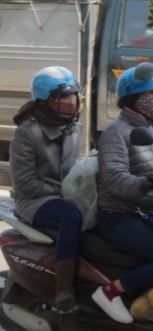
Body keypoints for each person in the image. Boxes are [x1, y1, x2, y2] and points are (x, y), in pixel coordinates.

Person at [92, 62, 153, 323]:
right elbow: (115, 179)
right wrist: (148, 183)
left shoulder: (149, 127)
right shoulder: (116, 133)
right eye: (152, 95)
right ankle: (110, 291)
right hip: (120, 215)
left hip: (146, 212)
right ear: (134, 98)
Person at [9, 66, 83, 313]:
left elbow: (74, 165)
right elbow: (25, 184)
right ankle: (63, 288)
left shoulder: (74, 126)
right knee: (71, 217)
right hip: (35, 200)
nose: (70, 104)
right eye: (62, 99)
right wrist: (64, 190)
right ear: (44, 102)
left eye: (73, 97)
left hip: (65, 194)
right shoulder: (26, 133)